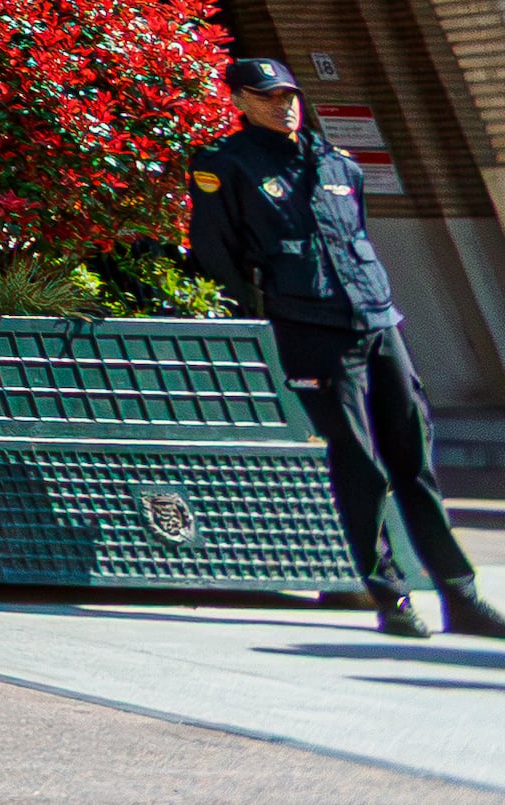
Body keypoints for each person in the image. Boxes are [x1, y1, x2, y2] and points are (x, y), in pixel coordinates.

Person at [194, 55, 496, 640]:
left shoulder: (339, 164)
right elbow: (215, 250)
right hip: (311, 329)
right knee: (360, 469)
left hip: (379, 321)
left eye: (288, 95)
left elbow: (357, 238)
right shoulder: (225, 166)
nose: (283, 105)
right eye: (266, 96)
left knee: (415, 462)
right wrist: (273, 311)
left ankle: (461, 597)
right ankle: (390, 598)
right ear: (238, 102)